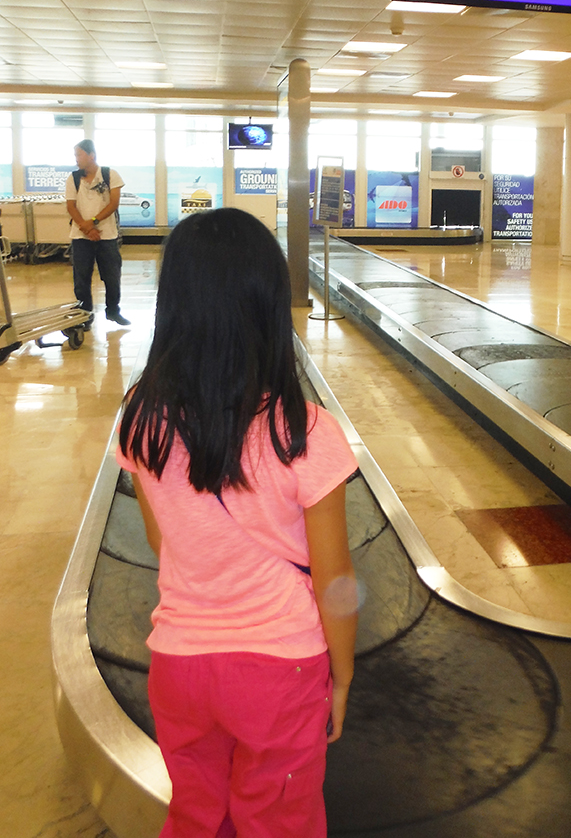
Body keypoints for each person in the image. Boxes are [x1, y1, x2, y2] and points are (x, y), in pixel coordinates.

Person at [116, 208, 358, 838]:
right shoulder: (302, 431)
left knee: (198, 814)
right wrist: (345, 671)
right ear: (268, 304)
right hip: (283, 670)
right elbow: (334, 577)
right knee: (278, 821)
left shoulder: (141, 421)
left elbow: (159, 538)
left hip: (179, 665)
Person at [65, 139, 130, 326]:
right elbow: (71, 205)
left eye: (79, 154)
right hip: (80, 236)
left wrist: (93, 222)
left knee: (111, 275)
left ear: (91, 155)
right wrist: (85, 227)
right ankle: (85, 315)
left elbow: (113, 204)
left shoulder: (110, 175)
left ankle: (113, 311)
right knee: (81, 277)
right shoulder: (73, 178)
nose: (76, 159)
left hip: (106, 235)